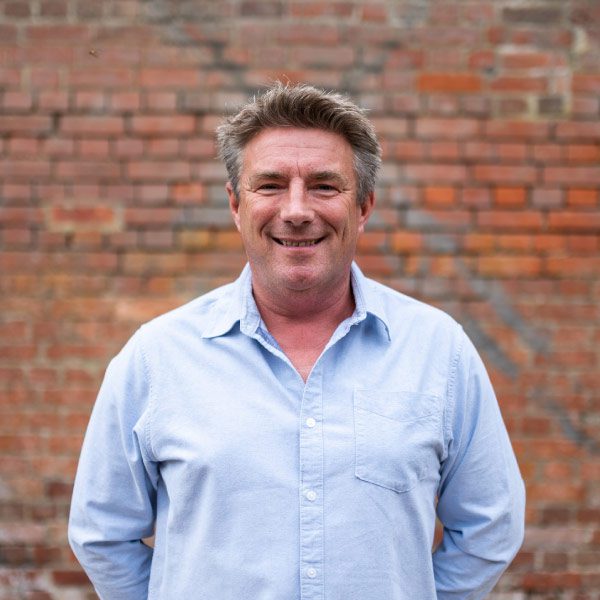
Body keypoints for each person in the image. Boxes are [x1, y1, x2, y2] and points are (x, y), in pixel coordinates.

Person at [69, 83, 525, 600]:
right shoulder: (157, 357)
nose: (296, 210)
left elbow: (490, 525)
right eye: (270, 185)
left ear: (364, 206)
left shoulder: (438, 350)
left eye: (325, 186)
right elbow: (102, 533)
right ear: (236, 205)